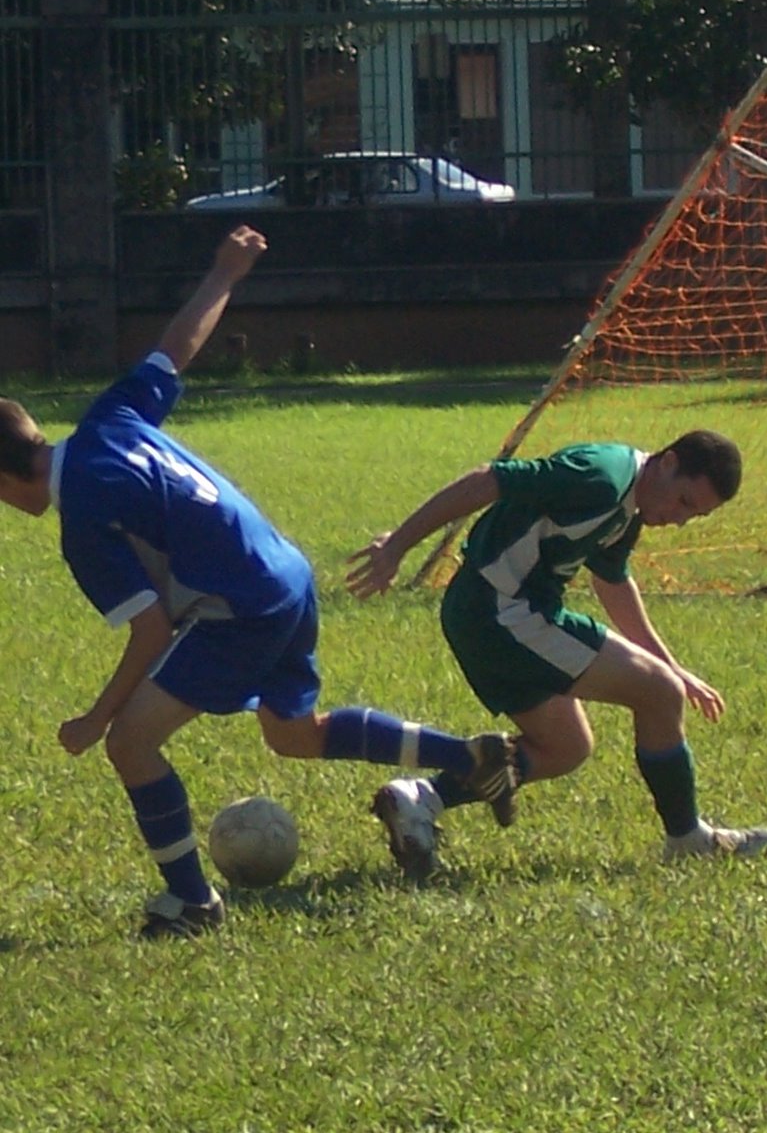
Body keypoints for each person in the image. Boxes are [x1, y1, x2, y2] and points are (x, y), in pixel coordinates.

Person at [0, 227, 516, 938]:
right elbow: (174, 349)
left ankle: (190, 902)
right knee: (295, 734)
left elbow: (151, 633)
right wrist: (225, 273)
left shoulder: (82, 520)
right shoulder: (107, 419)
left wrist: (96, 719)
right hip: (285, 572)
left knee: (130, 744)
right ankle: (469, 757)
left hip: (239, 608)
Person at [345, 433, 767, 879]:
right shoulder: (601, 479)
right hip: (501, 611)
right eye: (685, 502)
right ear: (667, 463)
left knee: (566, 746)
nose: (679, 519)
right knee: (659, 694)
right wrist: (398, 544)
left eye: (695, 515)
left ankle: (418, 800)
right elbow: (487, 480)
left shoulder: (631, 504)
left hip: (489, 613)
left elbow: (612, 583)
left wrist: (671, 665)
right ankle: (688, 839)